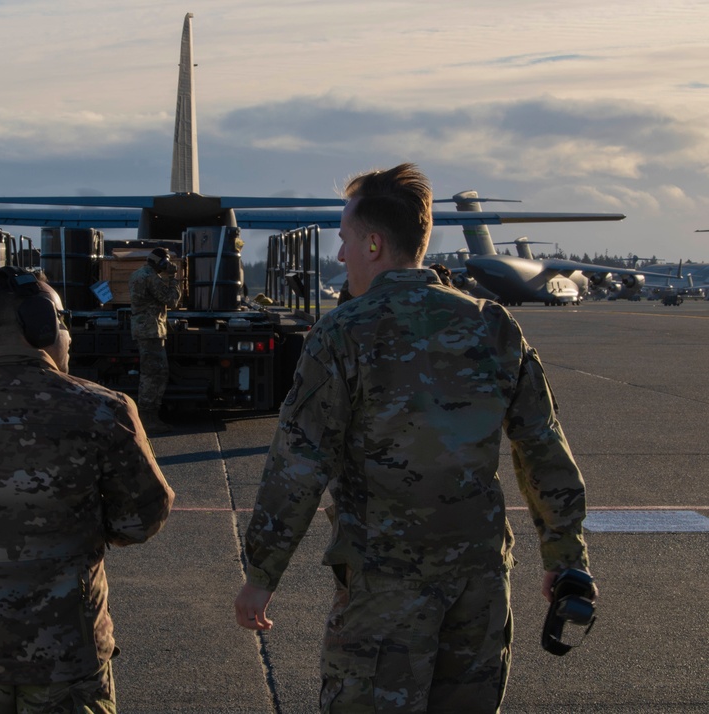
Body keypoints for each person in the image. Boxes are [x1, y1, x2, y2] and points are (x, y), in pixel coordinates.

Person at [234, 163, 594, 713]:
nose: (339, 256)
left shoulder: (343, 332)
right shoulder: (491, 325)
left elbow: (299, 464)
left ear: (374, 244)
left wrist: (262, 573)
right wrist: (565, 556)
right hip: (477, 587)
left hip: (384, 592)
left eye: (345, 241)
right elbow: (542, 445)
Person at [0, 266, 174, 714]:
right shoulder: (103, 410)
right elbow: (142, 519)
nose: (69, 336)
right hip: (68, 657)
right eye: (63, 321)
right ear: (40, 323)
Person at [129, 247, 182, 434]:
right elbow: (171, 300)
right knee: (154, 374)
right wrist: (174, 279)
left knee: (152, 372)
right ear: (161, 262)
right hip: (150, 331)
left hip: (145, 329)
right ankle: (148, 418)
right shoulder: (151, 277)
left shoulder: (137, 274)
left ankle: (148, 415)